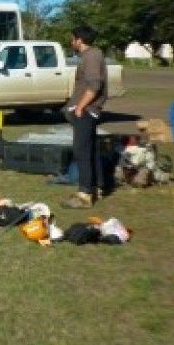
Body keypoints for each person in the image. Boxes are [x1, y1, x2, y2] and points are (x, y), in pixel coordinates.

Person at [62, 25, 108, 209]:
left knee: (81, 150)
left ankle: (85, 194)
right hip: (87, 109)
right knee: (90, 149)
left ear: (79, 40)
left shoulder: (92, 56)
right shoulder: (90, 56)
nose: (71, 41)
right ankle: (97, 187)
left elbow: (94, 85)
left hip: (87, 110)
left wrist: (80, 107)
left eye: (73, 38)